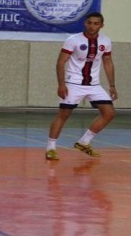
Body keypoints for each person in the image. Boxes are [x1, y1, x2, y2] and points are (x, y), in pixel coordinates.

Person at [45, 12, 117, 160]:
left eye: (96, 23)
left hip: (94, 85)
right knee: (64, 115)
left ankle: (84, 142)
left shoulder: (105, 41)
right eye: (89, 23)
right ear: (85, 23)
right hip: (73, 84)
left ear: (101, 25)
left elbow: (108, 62)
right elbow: (60, 62)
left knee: (109, 113)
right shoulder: (73, 40)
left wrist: (112, 85)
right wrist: (61, 84)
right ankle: (50, 148)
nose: (92, 26)